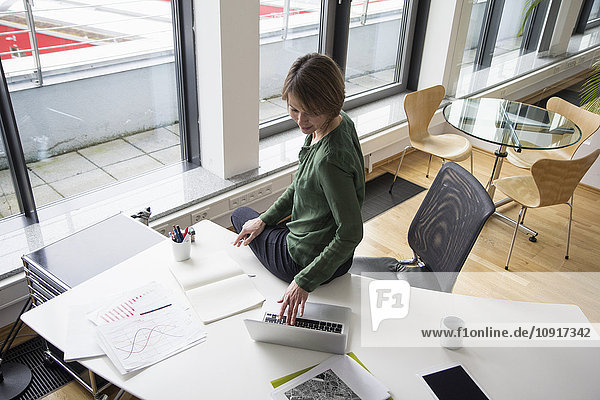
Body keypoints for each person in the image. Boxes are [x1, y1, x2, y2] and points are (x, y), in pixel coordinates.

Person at [231, 53, 364, 325]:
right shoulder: (339, 122)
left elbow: (351, 232)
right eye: (294, 109)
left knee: (239, 215)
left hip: (305, 262)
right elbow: (299, 185)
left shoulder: (328, 161)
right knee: (257, 220)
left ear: (331, 103)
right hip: (338, 258)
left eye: (311, 112)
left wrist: (303, 281)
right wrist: (265, 219)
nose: (301, 121)